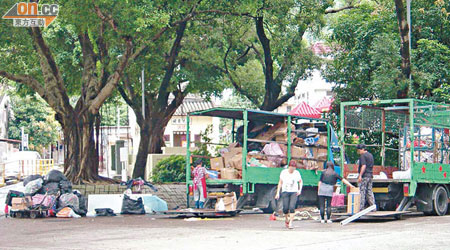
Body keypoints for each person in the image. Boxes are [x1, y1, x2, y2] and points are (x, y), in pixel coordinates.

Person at [275, 161, 303, 229]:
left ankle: (291, 223)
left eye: (293, 169)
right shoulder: (284, 172)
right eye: (291, 169)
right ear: (289, 167)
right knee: (285, 208)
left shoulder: (296, 173)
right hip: (285, 191)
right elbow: (280, 182)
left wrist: (300, 190)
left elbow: (300, 181)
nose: (292, 170)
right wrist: (278, 192)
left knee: (292, 207)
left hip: (294, 192)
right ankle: (286, 218)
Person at [357, 144, 376, 211]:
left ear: (362, 149)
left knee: (362, 191)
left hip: (365, 176)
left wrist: (360, 175)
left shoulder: (363, 156)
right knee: (369, 191)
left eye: (359, 150)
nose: (359, 152)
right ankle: (373, 207)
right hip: (370, 176)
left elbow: (364, 166)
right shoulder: (370, 155)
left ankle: (361, 208)